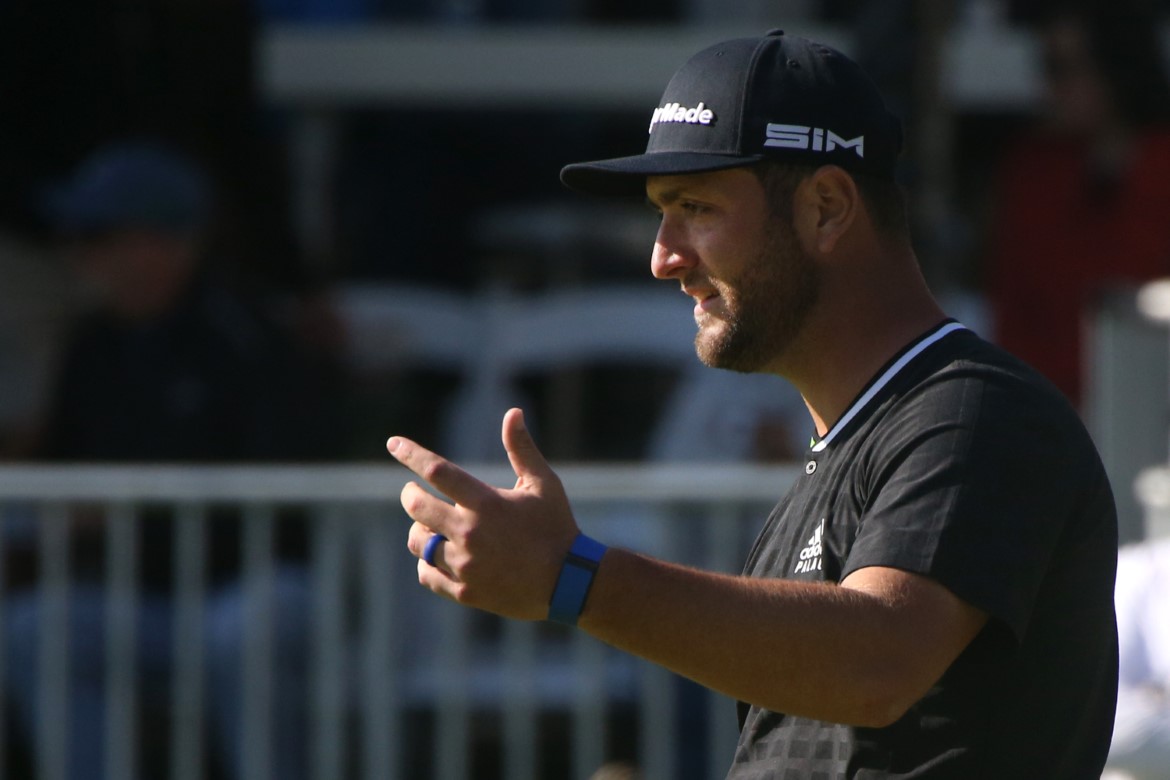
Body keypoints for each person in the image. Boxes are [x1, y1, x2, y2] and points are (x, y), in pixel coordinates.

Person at [386, 30, 1119, 778]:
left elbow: (876, 663)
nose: (663, 256)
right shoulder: (852, 452)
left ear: (827, 207)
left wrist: (571, 578)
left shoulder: (979, 414)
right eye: (661, 214)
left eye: (695, 206)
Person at [3, 141, 318, 780]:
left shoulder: (249, 333)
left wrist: (127, 516)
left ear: (166, 242)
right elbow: (60, 478)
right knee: (39, 629)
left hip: (250, 588)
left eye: (99, 236)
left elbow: (288, 501)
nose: (79, 255)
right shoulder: (93, 345)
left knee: (248, 630)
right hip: (142, 601)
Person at [987, 1, 1170, 409]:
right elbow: (1013, 309)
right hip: (1050, 407)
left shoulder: (1160, 166)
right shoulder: (1031, 173)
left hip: (1155, 405)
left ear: (1116, 67)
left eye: (1063, 68)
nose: (1049, 87)